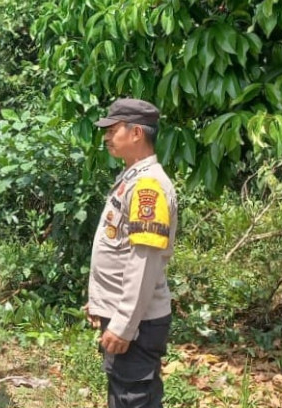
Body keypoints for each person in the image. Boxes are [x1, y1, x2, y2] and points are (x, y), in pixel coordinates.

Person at [84, 98, 178, 408]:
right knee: (124, 395)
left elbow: (144, 263)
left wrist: (124, 324)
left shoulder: (148, 186)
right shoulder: (132, 180)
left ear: (136, 133)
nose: (107, 137)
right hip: (128, 315)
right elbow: (120, 250)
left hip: (138, 323)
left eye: (113, 130)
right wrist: (101, 300)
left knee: (133, 399)